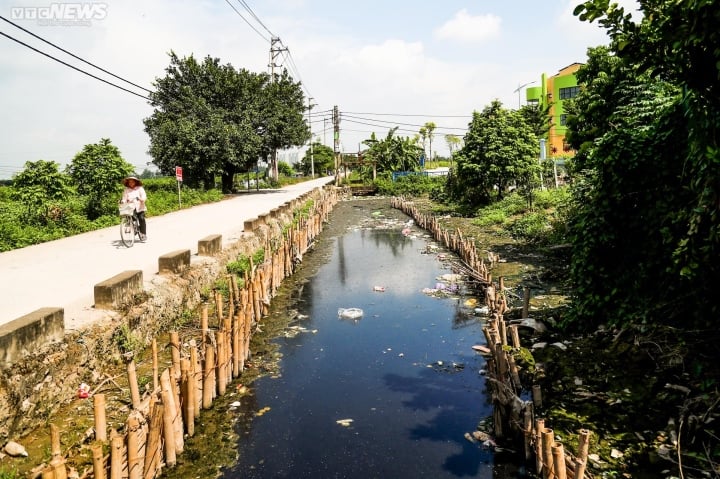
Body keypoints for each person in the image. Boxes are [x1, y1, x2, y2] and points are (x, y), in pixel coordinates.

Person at [121, 176, 148, 241]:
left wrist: (142, 199)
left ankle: (143, 234)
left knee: (141, 218)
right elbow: (124, 198)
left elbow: (144, 196)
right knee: (131, 219)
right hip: (130, 207)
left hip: (139, 206)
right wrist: (122, 201)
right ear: (128, 183)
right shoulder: (126, 190)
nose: (131, 183)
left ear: (135, 182)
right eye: (129, 182)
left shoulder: (140, 188)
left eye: (132, 182)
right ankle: (134, 229)